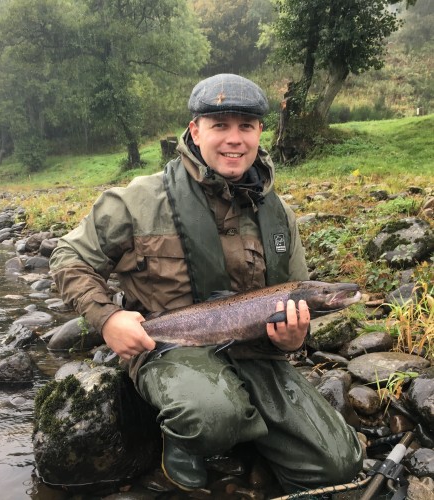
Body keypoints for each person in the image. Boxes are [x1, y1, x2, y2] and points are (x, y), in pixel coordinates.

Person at [49, 73, 363, 494]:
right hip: (167, 348)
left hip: (256, 355)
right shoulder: (137, 201)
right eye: (220, 125)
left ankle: (245, 440)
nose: (234, 139)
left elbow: (297, 294)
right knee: (212, 415)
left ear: (259, 133)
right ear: (195, 131)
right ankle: (186, 438)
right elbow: (68, 258)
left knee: (336, 464)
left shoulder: (278, 215)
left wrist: (293, 340)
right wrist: (107, 320)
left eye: (246, 126)